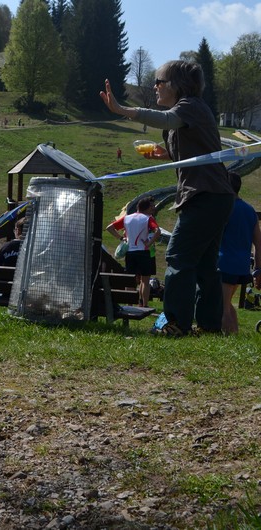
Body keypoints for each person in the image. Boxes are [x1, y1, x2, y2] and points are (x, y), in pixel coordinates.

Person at [100, 61, 235, 336]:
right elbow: (193, 145)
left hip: (205, 195)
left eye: (159, 82)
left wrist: (122, 110)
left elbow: (166, 119)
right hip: (214, 196)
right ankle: (208, 325)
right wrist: (166, 153)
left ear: (176, 85)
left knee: (177, 256)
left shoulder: (190, 106)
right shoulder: (188, 112)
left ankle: (176, 324)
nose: (155, 87)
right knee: (205, 264)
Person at [218, 172, 261, 334]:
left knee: (222, 306)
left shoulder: (225, 209)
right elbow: (258, 243)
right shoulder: (250, 210)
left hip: (224, 263)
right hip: (242, 265)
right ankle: (235, 333)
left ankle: (226, 335)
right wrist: (257, 268)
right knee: (227, 302)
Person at [106, 196, 161, 307]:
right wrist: (149, 243)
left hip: (130, 252)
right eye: (151, 207)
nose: (153, 209)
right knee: (145, 280)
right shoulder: (148, 218)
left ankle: (129, 305)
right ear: (146, 207)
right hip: (143, 252)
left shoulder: (127, 218)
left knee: (130, 280)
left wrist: (121, 238)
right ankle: (144, 305)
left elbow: (109, 228)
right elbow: (158, 231)